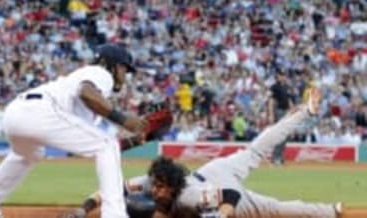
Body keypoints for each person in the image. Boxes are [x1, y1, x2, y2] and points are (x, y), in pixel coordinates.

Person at [64, 88, 343, 218]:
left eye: (161, 189)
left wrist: (221, 217)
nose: (155, 191)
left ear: (172, 188)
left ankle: (330, 211)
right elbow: (110, 190)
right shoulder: (151, 184)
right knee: (256, 149)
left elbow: (230, 197)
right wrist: (83, 210)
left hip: (218, 185)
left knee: (272, 208)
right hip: (211, 171)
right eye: (156, 187)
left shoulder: (189, 196)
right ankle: (304, 113)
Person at [0, 43, 147, 218]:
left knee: (28, 155)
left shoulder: (84, 81)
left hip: (16, 113)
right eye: (124, 68)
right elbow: (86, 92)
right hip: (43, 112)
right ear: (110, 64)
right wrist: (123, 119)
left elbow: (84, 143)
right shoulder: (101, 73)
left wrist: (132, 140)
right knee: (107, 145)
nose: (125, 75)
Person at [268, 70, 294, 165]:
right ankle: (275, 158)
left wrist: (292, 113)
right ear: (277, 77)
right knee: (280, 136)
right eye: (281, 75)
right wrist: (271, 115)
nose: (283, 77)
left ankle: (280, 156)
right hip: (279, 111)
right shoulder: (274, 87)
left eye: (283, 75)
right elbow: (271, 101)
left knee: (285, 136)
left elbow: (290, 101)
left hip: (287, 112)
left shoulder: (286, 87)